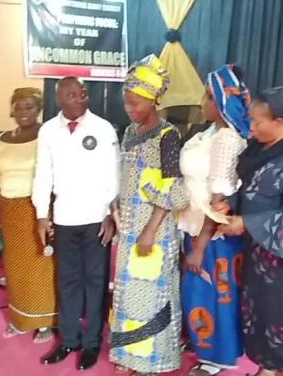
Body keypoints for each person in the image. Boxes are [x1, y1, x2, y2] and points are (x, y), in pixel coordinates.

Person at [218, 85, 283, 376]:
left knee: (280, 314)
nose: (251, 127)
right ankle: (266, 367)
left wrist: (246, 223)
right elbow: (251, 191)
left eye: (257, 121)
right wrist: (230, 204)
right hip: (258, 246)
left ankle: (276, 369)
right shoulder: (259, 149)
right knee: (258, 310)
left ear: (280, 121)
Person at [109, 54, 189, 376]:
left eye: (135, 103)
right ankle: (131, 356)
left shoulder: (167, 136)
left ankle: (152, 361)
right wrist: (116, 208)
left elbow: (172, 189)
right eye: (126, 102)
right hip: (129, 224)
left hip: (154, 227)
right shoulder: (130, 131)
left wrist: (150, 230)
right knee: (131, 294)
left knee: (153, 293)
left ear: (154, 100)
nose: (129, 108)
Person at [33, 77, 119, 370]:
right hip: (64, 217)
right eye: (72, 94)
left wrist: (110, 213)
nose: (81, 97)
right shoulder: (48, 131)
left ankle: (92, 342)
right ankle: (69, 339)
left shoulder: (103, 128)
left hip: (96, 218)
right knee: (67, 281)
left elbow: (114, 174)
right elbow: (43, 174)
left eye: (83, 93)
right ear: (58, 99)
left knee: (95, 282)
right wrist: (42, 215)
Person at [179, 64, 251, 376]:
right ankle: (205, 344)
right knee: (199, 294)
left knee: (213, 295)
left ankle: (217, 358)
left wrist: (199, 247)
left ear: (224, 101)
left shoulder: (226, 139)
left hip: (212, 235)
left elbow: (220, 201)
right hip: (193, 226)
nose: (203, 102)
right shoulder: (208, 132)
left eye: (210, 96)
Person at [0, 87, 57, 343]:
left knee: (41, 267)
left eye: (29, 107)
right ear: (12, 110)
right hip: (9, 212)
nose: (24, 112)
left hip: (38, 211)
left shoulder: (48, 137)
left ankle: (45, 322)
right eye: (18, 107)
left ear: (39, 110)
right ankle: (21, 320)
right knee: (15, 268)